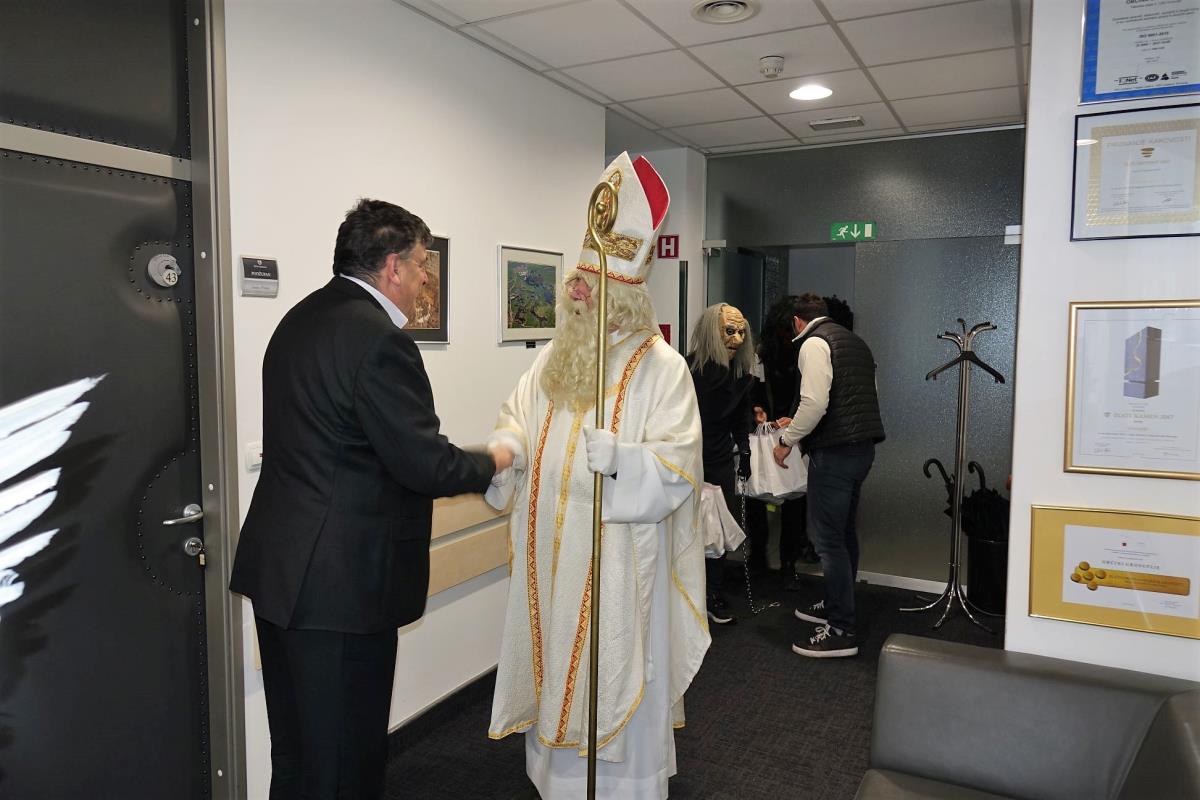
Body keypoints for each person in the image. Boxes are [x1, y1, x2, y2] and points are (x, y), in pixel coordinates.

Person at [230, 198, 511, 799]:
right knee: (345, 763)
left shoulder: (299, 320)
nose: (425, 279)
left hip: (282, 575)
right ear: (392, 266)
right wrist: (494, 460)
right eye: (422, 265)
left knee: (298, 756)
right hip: (342, 588)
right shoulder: (380, 340)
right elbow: (424, 462)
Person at [484, 153, 709, 799]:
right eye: (577, 280)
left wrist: (627, 462)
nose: (575, 292)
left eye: (590, 282)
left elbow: (681, 467)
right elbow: (517, 416)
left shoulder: (662, 368)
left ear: (626, 296)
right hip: (549, 564)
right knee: (556, 664)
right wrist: (508, 444)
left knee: (610, 666)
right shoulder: (554, 358)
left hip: (616, 563)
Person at [772, 293, 884, 658]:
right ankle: (839, 603)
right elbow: (852, 399)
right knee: (844, 533)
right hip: (861, 449)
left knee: (827, 540)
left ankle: (840, 629)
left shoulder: (813, 344)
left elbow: (816, 403)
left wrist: (787, 439)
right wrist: (800, 421)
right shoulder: (855, 343)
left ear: (797, 321)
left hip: (834, 453)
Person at [686, 303, 756, 625]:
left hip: (719, 460)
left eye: (742, 331)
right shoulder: (687, 370)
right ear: (712, 332)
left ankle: (712, 593)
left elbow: (741, 419)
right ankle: (689, 595)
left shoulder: (740, 376)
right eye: (730, 331)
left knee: (718, 531)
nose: (738, 339)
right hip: (686, 460)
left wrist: (746, 453)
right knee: (687, 529)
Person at [747, 298, 818, 590]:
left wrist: (794, 421)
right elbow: (752, 389)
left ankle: (784, 563)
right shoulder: (763, 353)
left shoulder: (806, 350)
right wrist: (759, 412)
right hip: (767, 431)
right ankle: (760, 558)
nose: (789, 334)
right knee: (759, 494)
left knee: (793, 497)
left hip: (795, 431)